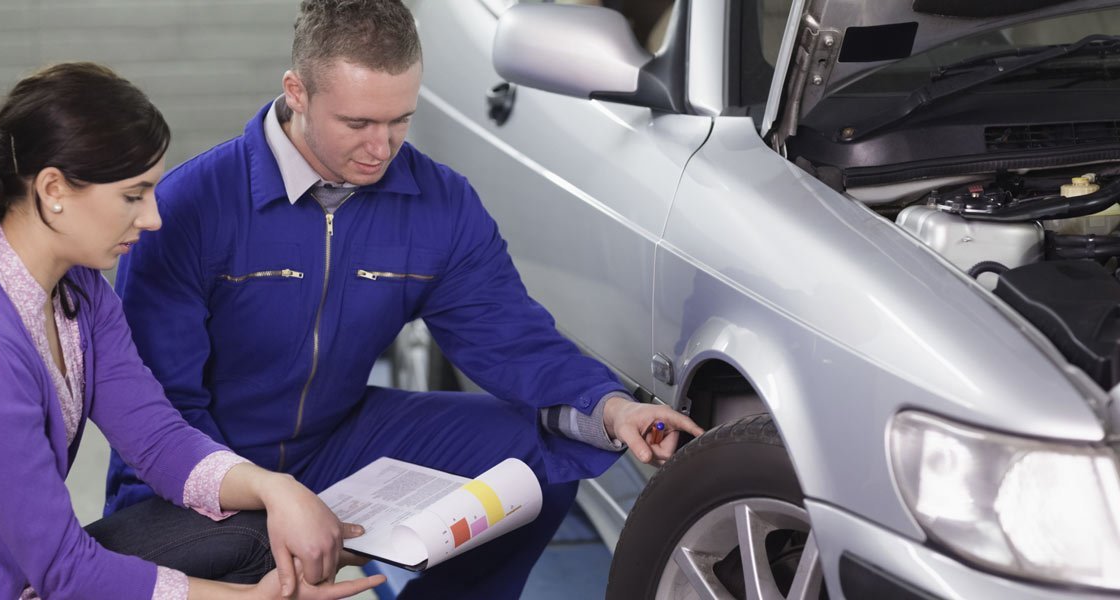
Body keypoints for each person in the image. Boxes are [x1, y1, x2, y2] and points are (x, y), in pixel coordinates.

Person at [105, 1, 705, 597]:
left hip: (335, 440)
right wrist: (266, 498)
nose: (381, 147)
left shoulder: (438, 203)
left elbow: (508, 334)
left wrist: (609, 408)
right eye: (358, 124)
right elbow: (163, 408)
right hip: (201, 469)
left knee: (534, 459)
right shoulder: (190, 207)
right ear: (297, 92)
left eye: (400, 121)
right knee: (255, 555)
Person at [0, 62, 384, 600]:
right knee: (259, 577)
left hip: (31, 575)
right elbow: (66, 571)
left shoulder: (79, 288)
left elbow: (159, 441)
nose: (153, 218)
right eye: (133, 195)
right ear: (53, 189)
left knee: (262, 530)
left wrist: (276, 488)